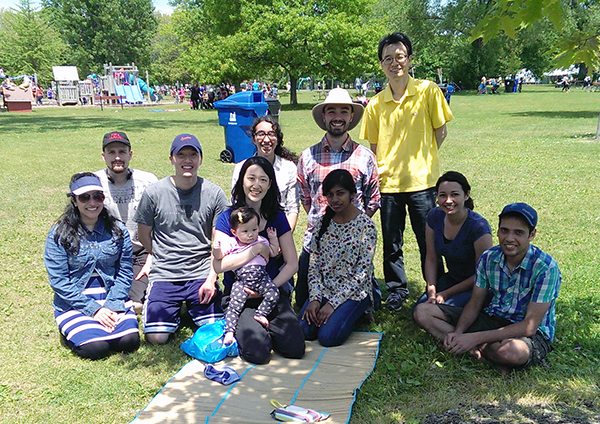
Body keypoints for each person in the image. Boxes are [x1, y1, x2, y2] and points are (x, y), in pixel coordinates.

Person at [359, 32, 454, 312]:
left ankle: (434, 287)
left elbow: (441, 130)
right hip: (388, 185)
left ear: (409, 60)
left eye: (400, 56)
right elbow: (375, 147)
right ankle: (397, 290)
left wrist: (424, 159)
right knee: (392, 243)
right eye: (388, 58)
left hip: (423, 183)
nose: (394, 62)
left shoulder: (428, 90)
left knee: (430, 241)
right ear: (381, 65)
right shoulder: (375, 104)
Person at [413, 203, 561, 372]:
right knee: (422, 312)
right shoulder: (489, 258)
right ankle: (477, 351)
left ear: (532, 234)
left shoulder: (546, 268)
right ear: (497, 231)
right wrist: (460, 332)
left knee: (512, 352)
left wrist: (474, 337)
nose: (510, 238)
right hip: (492, 318)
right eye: (504, 230)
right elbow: (475, 303)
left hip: (528, 333)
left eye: (518, 232)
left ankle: (476, 349)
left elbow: (529, 326)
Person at [134, 134, 229, 344]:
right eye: (181, 155)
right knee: (156, 338)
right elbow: (143, 234)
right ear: (171, 159)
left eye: (193, 155)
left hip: (200, 272)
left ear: (200, 159)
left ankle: (188, 306)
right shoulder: (154, 193)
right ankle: (174, 306)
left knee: (215, 331)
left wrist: (211, 279)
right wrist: (160, 255)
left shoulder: (214, 194)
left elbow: (219, 243)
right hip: (165, 272)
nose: (187, 160)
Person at [213, 156, 305, 364]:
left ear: (270, 184)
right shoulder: (228, 217)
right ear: (242, 181)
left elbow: (292, 263)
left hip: (270, 292)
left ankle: (267, 327)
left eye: (263, 180)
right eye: (251, 178)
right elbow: (218, 265)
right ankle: (248, 328)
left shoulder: (277, 217)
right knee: (258, 354)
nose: (256, 185)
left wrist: (269, 287)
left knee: (295, 348)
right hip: (240, 296)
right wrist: (255, 250)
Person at [297, 87, 380, 309]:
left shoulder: (365, 157)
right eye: (331, 111)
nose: (337, 117)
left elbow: (373, 199)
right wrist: (327, 224)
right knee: (304, 306)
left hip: (353, 246)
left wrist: (352, 226)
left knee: (349, 303)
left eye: (344, 112)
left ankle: (365, 298)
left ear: (351, 117)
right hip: (316, 243)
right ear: (324, 116)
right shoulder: (307, 157)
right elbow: (306, 199)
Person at [44, 173, 140, 360]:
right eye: (84, 197)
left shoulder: (118, 230)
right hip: (75, 300)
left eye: (97, 196)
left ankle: (99, 325)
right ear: (74, 200)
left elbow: (125, 271)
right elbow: (59, 281)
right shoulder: (58, 234)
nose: (92, 202)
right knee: (96, 349)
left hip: (110, 294)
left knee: (129, 342)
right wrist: (94, 310)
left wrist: (112, 305)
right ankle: (73, 328)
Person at [299, 169, 377, 347]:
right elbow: (314, 266)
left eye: (340, 193)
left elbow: (362, 274)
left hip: (353, 293)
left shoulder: (365, 226)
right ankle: (335, 315)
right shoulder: (322, 224)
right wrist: (315, 299)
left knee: (328, 337)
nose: (335, 199)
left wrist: (332, 305)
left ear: (352, 194)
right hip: (325, 290)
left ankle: (358, 312)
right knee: (304, 330)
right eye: (330, 194)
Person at [94, 131, 158, 313]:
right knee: (105, 296)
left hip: (141, 252)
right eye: (111, 152)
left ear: (130, 154)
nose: (117, 157)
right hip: (109, 252)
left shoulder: (148, 181)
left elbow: (161, 225)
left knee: (135, 301)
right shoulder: (94, 182)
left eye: (122, 152)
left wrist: (152, 257)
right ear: (103, 156)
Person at [412, 171, 492, 309]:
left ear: (466, 195)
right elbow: (431, 258)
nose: (448, 200)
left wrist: (446, 294)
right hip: (452, 279)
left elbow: (482, 275)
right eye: (442, 195)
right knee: (420, 308)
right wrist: (431, 292)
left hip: (478, 285)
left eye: (455, 194)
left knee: (441, 310)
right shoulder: (434, 217)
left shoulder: (479, 228)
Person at [212, 207, 280, 345]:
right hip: (242, 281)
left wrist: (273, 238)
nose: (250, 235)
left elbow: (273, 252)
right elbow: (219, 257)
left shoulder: (261, 240)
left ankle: (261, 313)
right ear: (234, 232)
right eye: (245, 231)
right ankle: (229, 331)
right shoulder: (232, 243)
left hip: (262, 278)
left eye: (254, 230)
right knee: (234, 306)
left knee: (274, 294)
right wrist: (216, 249)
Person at [232, 115, 299, 231]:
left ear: (278, 139)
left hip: (278, 230)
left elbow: (292, 208)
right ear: (253, 139)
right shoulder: (241, 168)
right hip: (247, 233)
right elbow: (236, 204)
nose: (266, 140)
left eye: (271, 134)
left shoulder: (289, 168)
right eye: (261, 134)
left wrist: (283, 237)